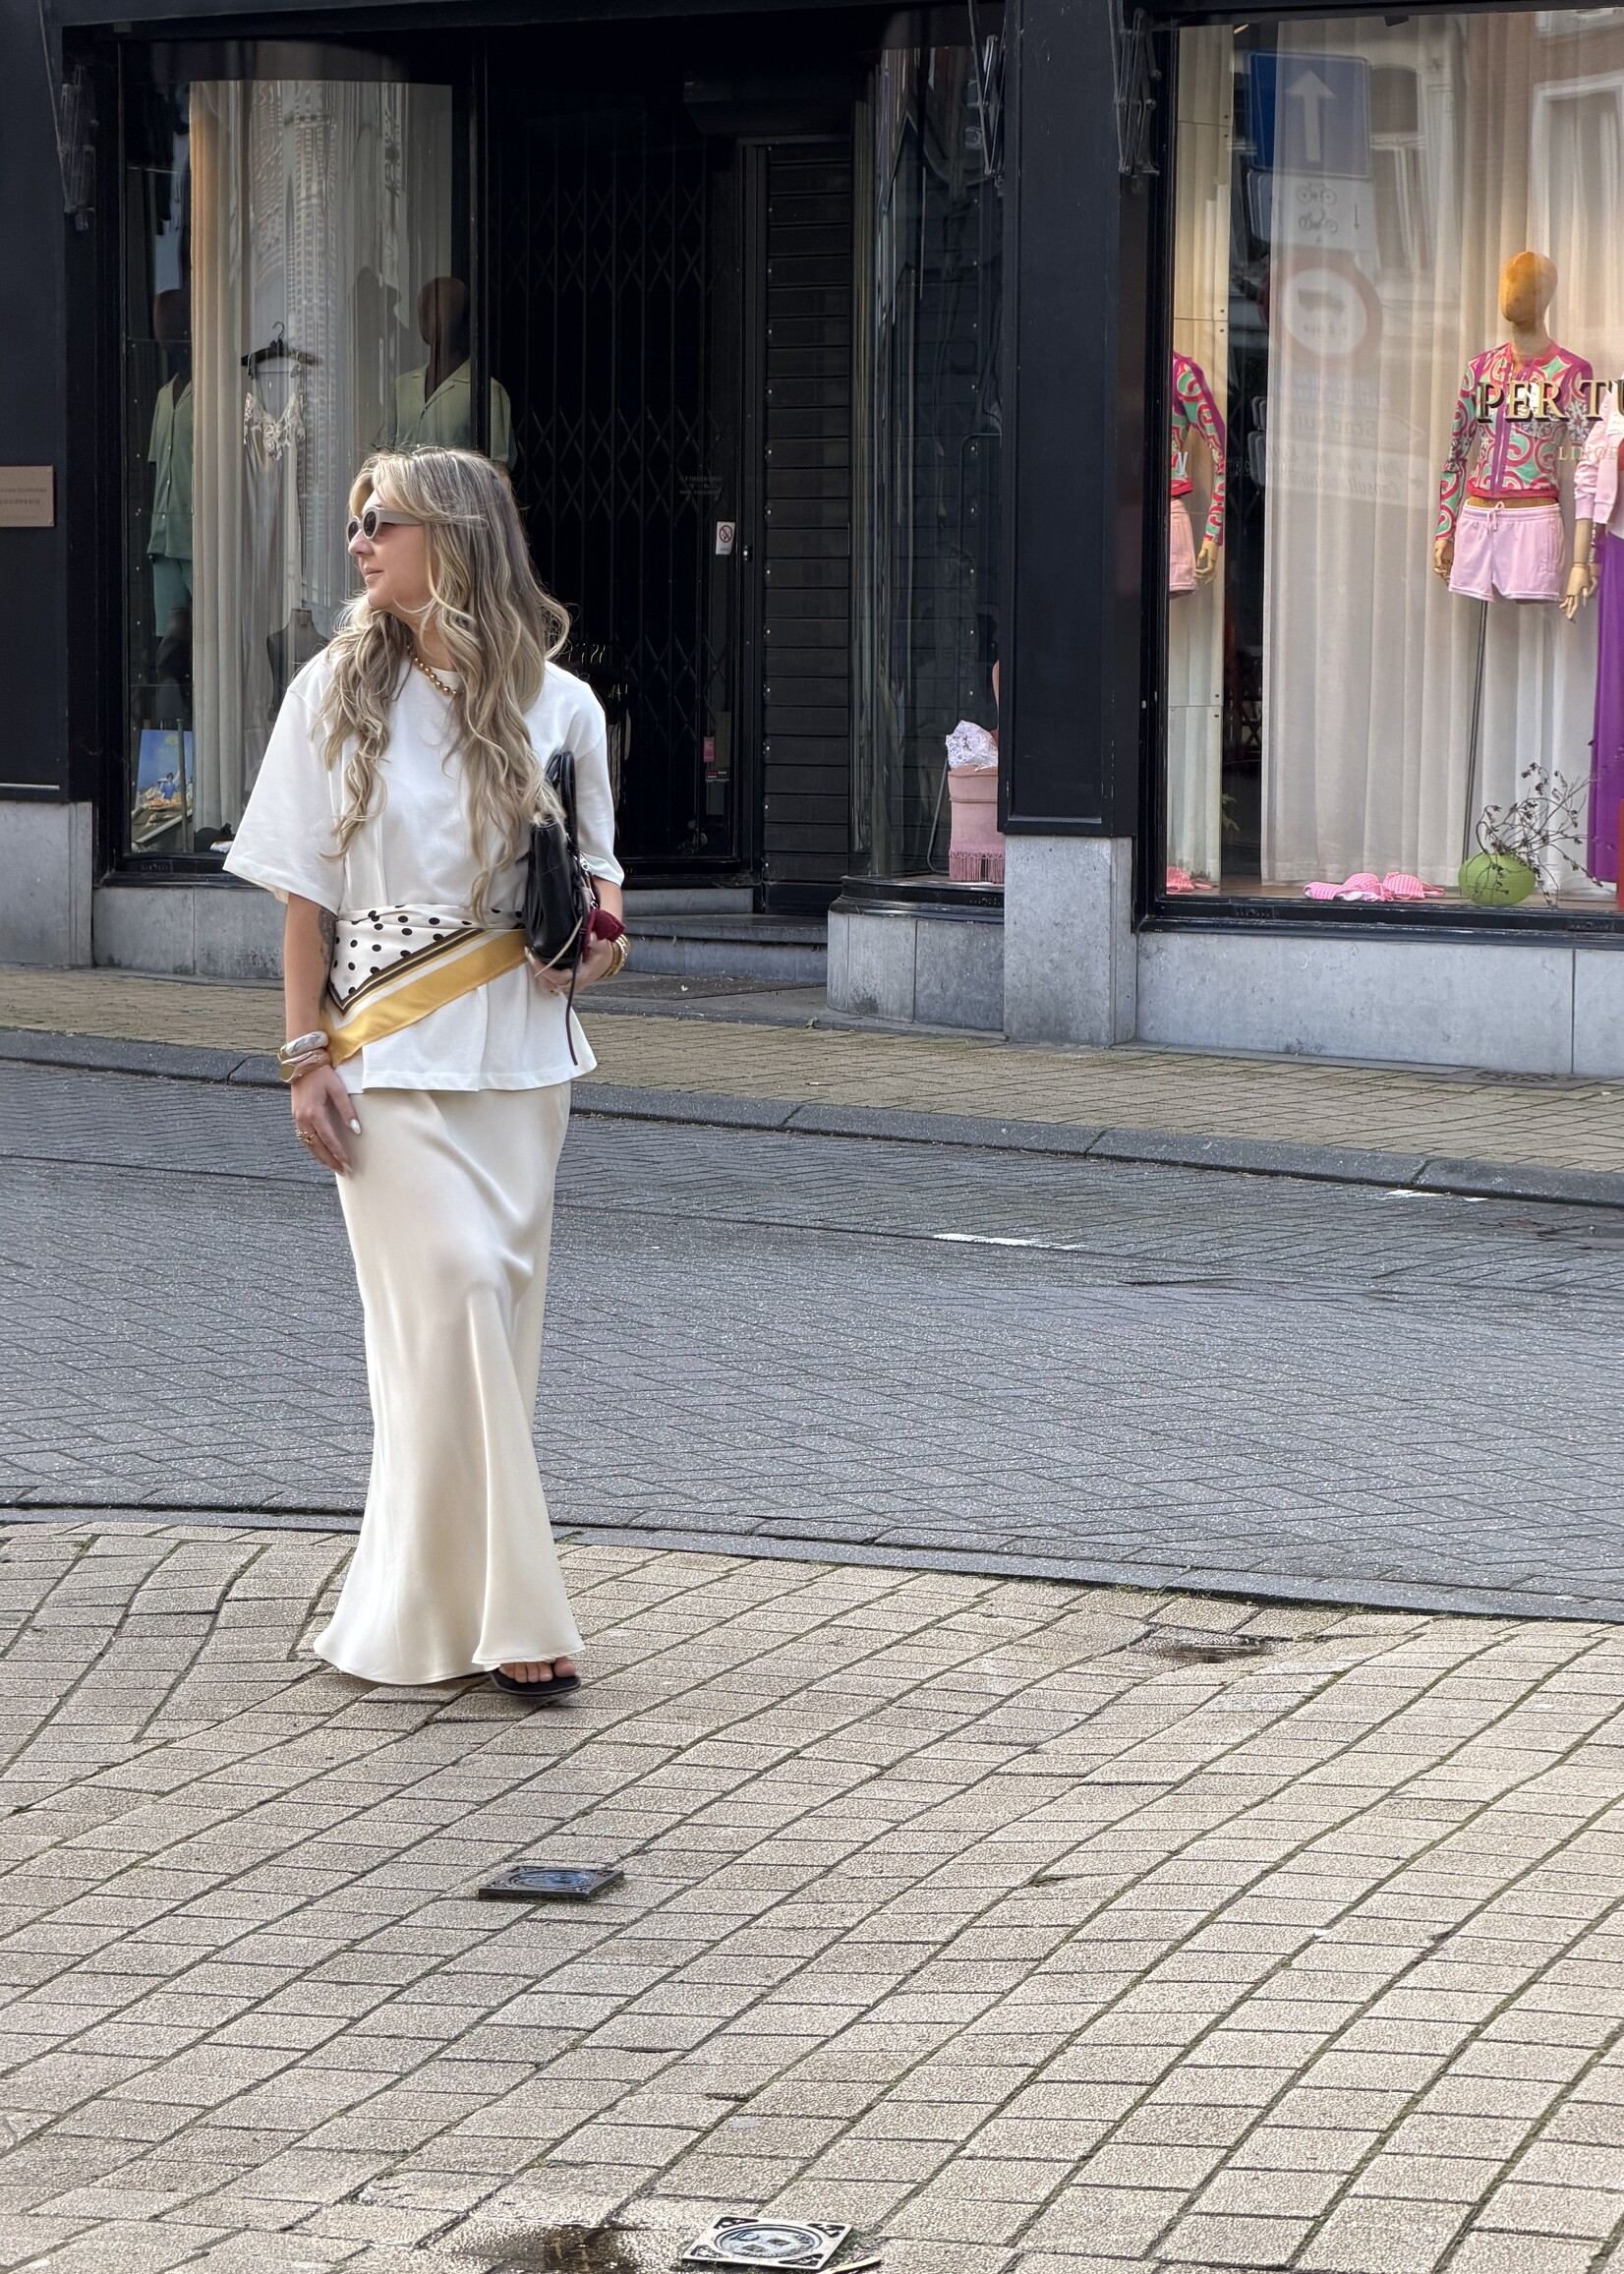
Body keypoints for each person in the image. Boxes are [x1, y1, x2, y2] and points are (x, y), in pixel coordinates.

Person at [223, 446, 626, 1699]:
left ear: (449, 535)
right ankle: (518, 1615)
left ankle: (415, 1609)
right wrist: (301, 1056)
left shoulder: (563, 707)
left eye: (378, 521)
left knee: (488, 1340)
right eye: (355, 523)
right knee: (450, 1293)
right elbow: (305, 890)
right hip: (382, 1054)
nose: (357, 542)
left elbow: (608, 896)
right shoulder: (331, 691)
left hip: (521, 1060)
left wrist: (590, 949)